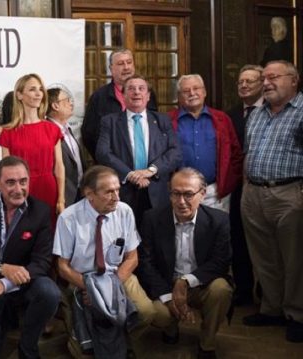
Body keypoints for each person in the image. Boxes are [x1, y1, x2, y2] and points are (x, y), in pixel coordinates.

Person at [0, 156, 61, 359]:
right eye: (10, 182)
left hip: (21, 283)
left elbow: (42, 262)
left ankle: (28, 345)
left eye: (23, 181)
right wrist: (0, 268)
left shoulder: (40, 211)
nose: (18, 189)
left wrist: (4, 284)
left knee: (50, 292)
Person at [54, 165, 156, 358]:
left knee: (146, 313)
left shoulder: (124, 211)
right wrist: (91, 289)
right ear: (89, 194)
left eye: (117, 189)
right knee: (83, 351)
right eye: (109, 192)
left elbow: (132, 258)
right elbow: (62, 267)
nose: (117, 197)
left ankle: (122, 342)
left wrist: (108, 289)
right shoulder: (68, 218)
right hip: (80, 280)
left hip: (118, 275)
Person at [138, 168, 233, 359]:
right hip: (166, 284)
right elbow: (146, 264)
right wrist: (167, 296)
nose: (181, 202)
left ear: (203, 194)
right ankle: (170, 328)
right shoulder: (152, 218)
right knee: (159, 314)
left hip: (199, 284)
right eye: (176, 194)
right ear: (169, 193)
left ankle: (207, 343)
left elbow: (220, 261)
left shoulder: (219, 220)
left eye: (188, 194)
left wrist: (186, 281)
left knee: (221, 289)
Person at [241, 60, 303, 343]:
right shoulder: (257, 113)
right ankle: (272, 309)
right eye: (264, 78)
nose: (266, 83)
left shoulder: (301, 112)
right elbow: (248, 152)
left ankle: (297, 314)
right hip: (253, 193)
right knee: (263, 257)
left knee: (294, 259)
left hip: (289, 194)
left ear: (293, 80)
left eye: (273, 77)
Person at [96, 74, 181, 223]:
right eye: (131, 89)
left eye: (141, 89)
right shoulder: (109, 121)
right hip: (123, 191)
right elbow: (103, 153)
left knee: (156, 240)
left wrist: (150, 171)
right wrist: (130, 174)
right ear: (123, 96)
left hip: (156, 190)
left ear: (148, 96)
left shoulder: (162, 120)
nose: (136, 92)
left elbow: (175, 152)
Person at [168, 74, 243, 212]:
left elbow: (236, 154)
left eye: (196, 88)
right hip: (181, 193)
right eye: (186, 91)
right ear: (179, 96)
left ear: (204, 92)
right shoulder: (168, 120)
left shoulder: (222, 119)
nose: (192, 93)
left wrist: (228, 183)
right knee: (184, 232)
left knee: (216, 231)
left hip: (215, 192)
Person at [0, 73, 65, 224]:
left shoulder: (52, 129)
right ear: (20, 95)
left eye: (40, 89)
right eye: (32, 89)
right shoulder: (8, 133)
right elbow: (6, 171)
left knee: (48, 238)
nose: (38, 94)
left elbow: (59, 166)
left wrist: (61, 199)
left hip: (48, 190)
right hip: (19, 191)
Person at [225, 64, 264, 305]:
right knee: (238, 238)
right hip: (237, 187)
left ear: (262, 84)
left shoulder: (272, 112)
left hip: (264, 187)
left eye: (250, 81)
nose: (244, 85)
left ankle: (268, 295)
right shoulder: (230, 116)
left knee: (264, 244)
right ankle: (243, 289)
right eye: (240, 81)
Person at [82, 49, 158, 157]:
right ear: (111, 69)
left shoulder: (146, 93)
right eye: (121, 64)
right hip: (112, 166)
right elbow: (89, 135)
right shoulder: (99, 97)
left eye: (129, 62)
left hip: (145, 162)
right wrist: (105, 160)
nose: (126, 67)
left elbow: (154, 127)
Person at [46, 88, 90, 206]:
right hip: (62, 197)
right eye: (67, 100)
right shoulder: (47, 131)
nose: (71, 103)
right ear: (55, 105)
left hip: (80, 193)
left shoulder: (67, 128)